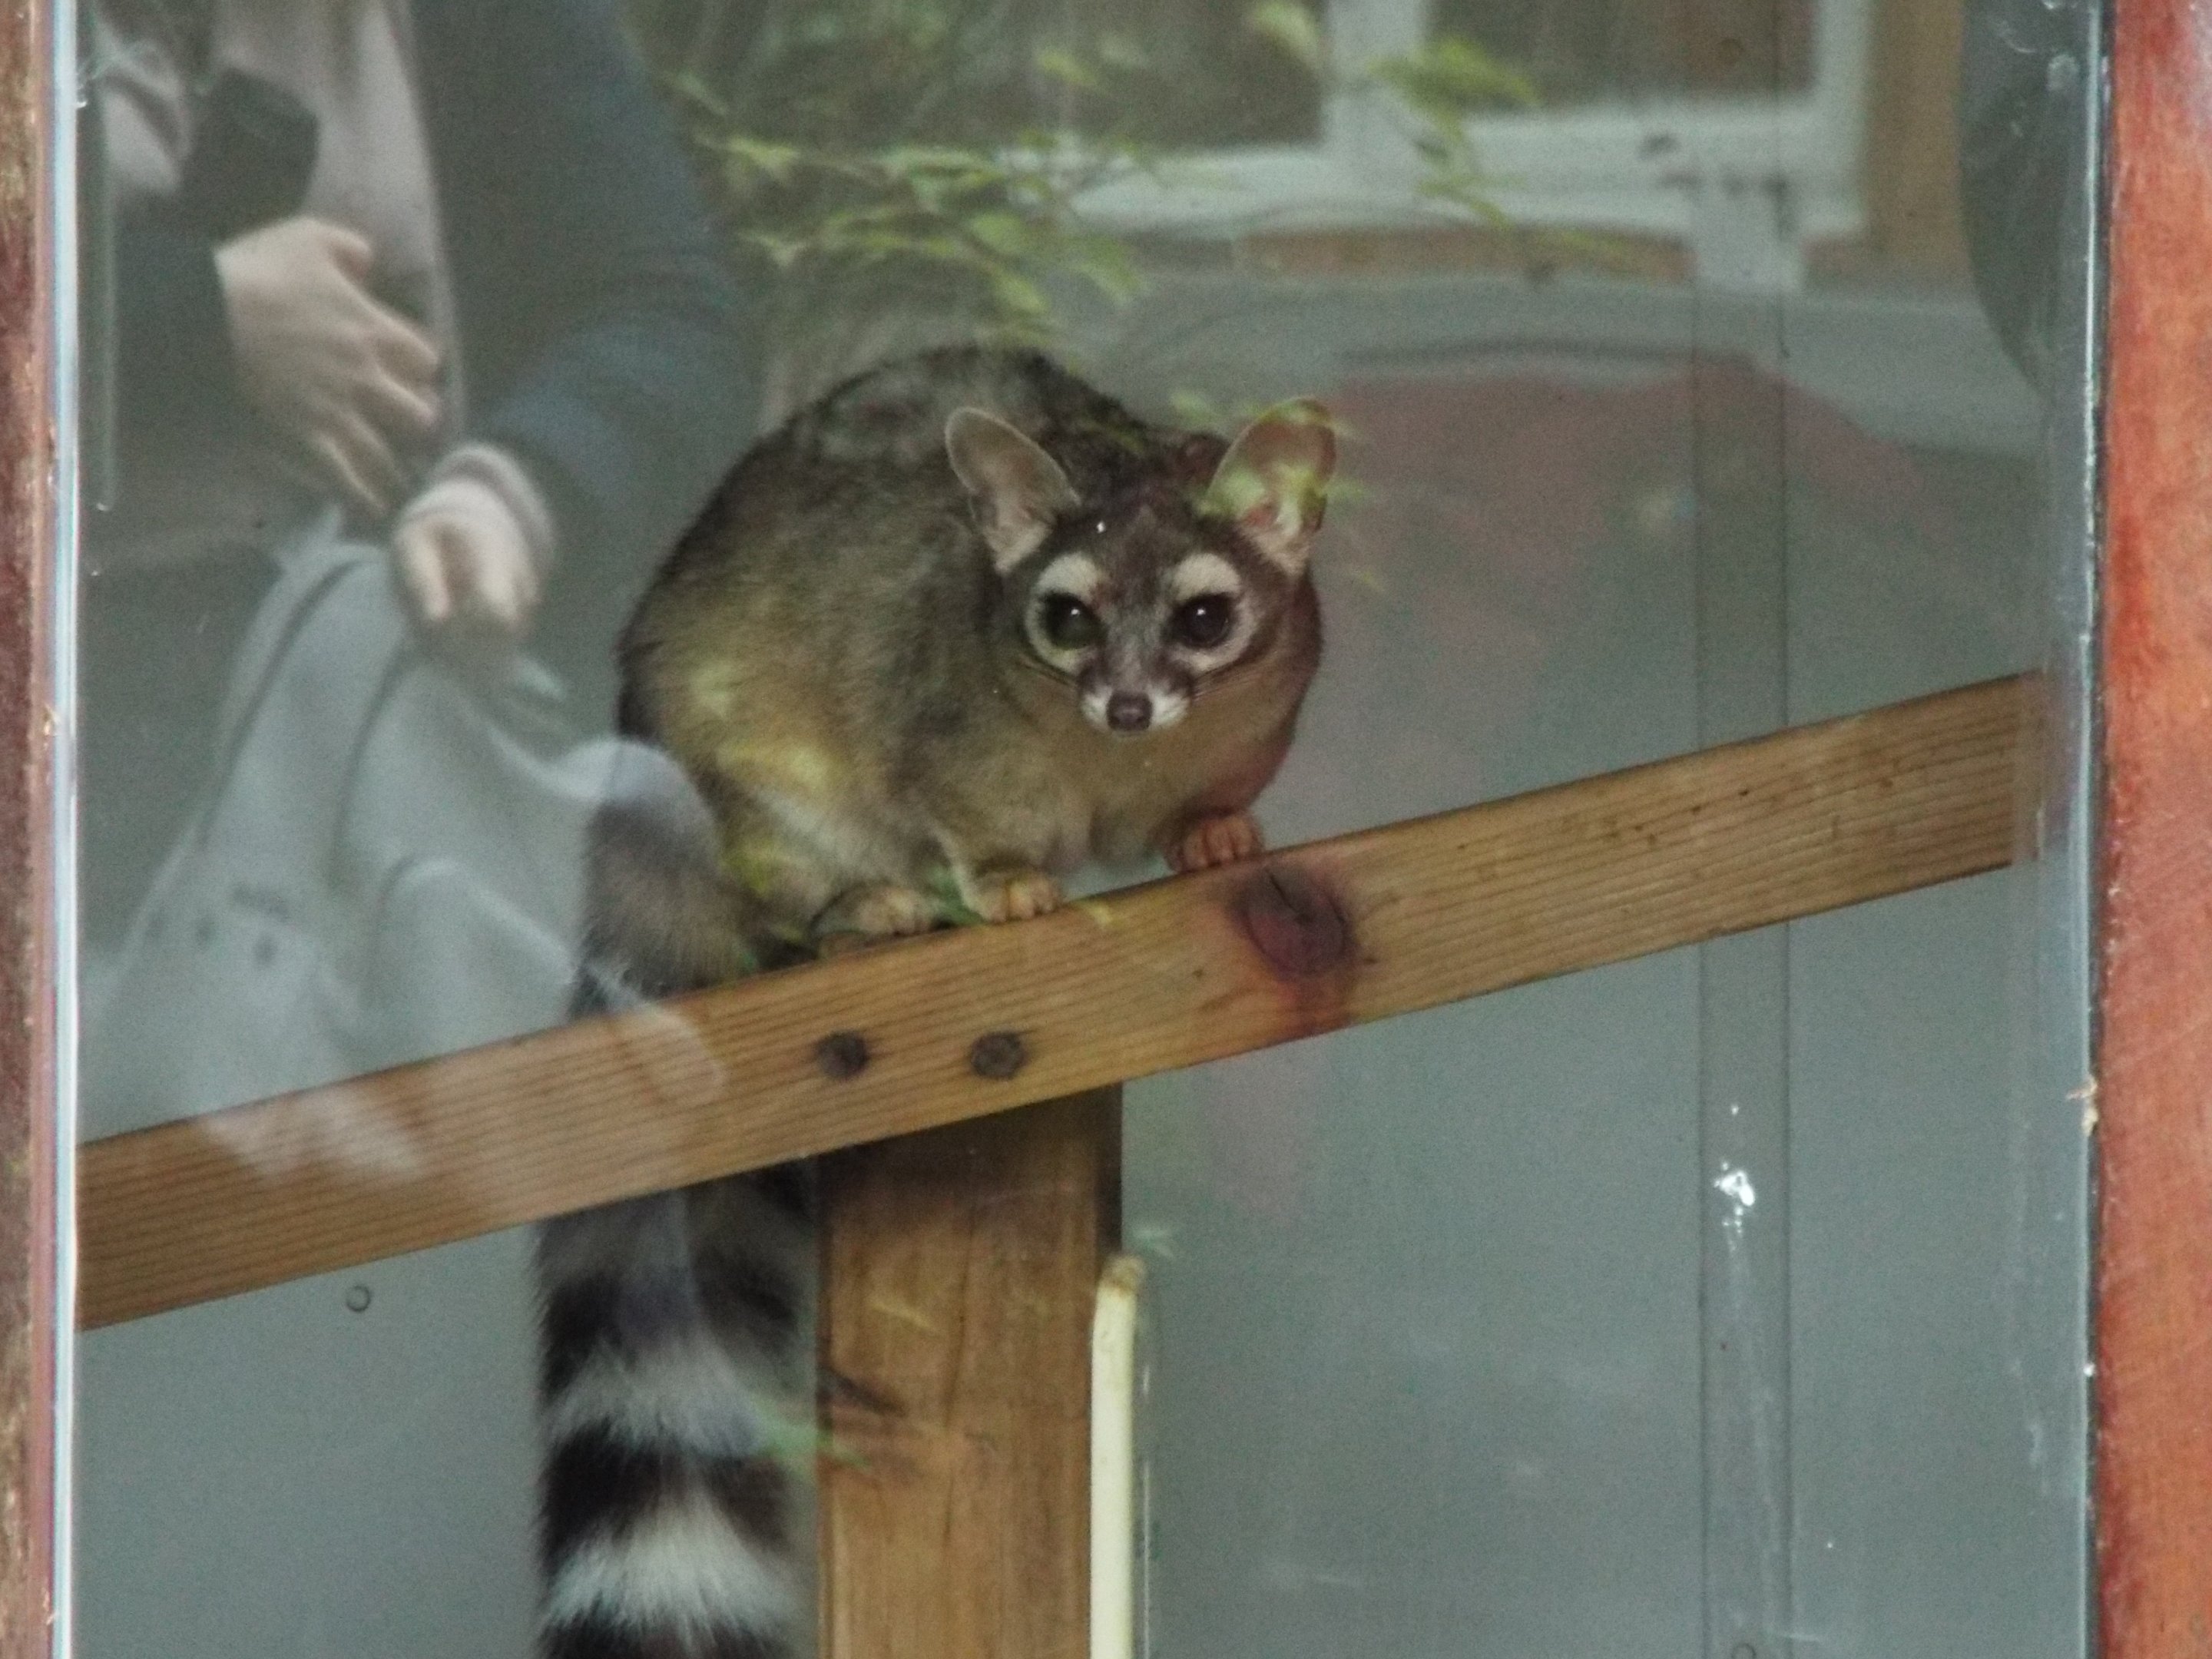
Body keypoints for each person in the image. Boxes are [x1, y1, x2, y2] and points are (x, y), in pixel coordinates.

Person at [80, 0, 757, 948]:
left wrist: (513, 498)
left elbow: (666, 315)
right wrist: (206, 322)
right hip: (75, 751)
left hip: (386, 719)